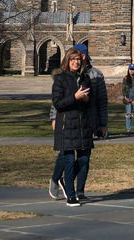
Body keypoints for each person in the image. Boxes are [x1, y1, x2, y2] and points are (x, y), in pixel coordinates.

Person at [48, 47, 95, 206]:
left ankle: (65, 182)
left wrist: (86, 99)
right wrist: (75, 97)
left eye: (78, 60)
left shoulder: (85, 78)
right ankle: (71, 195)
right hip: (67, 124)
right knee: (68, 159)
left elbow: (91, 102)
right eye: (73, 60)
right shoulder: (60, 79)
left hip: (83, 124)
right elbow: (58, 103)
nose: (76, 62)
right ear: (67, 61)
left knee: (83, 159)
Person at [121, 63, 134, 135]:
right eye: (130, 69)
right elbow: (123, 89)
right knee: (128, 115)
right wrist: (125, 97)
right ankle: (128, 130)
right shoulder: (125, 78)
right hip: (128, 99)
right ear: (128, 70)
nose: (131, 71)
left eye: (133, 70)